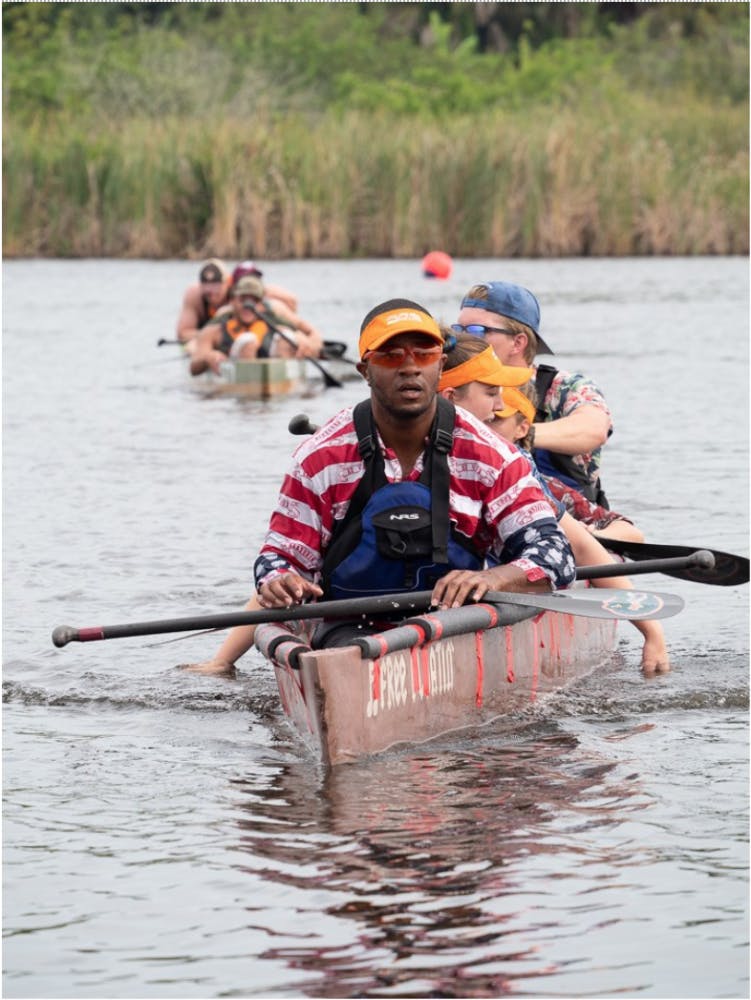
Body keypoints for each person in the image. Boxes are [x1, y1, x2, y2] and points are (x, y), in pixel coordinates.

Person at [181, 299, 576, 674]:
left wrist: (493, 579)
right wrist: (280, 580)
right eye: (390, 356)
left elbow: (555, 556)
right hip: (348, 632)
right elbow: (278, 557)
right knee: (337, 639)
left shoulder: (492, 455)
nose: (409, 367)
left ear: (440, 367)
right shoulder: (319, 456)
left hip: (456, 626)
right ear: (364, 370)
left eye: (423, 355)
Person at [453, 281, 612, 508]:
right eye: (458, 330)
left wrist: (512, 434)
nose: (463, 340)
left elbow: (594, 429)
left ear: (518, 342)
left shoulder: (566, 387)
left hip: (568, 520)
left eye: (477, 331)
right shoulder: (456, 387)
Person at [189, 275, 323, 376]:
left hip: (274, 378)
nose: (248, 306)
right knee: (248, 341)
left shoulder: (276, 324)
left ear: (261, 304)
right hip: (237, 370)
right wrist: (208, 358)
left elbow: (312, 343)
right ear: (232, 301)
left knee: (287, 340)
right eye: (243, 300)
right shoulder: (214, 330)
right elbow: (194, 367)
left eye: (254, 300)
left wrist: (308, 348)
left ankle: (280, 386)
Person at [175, 258, 298, 347]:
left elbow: (293, 303)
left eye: (216, 284)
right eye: (206, 284)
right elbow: (183, 333)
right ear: (233, 284)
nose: (210, 290)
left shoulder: (264, 295)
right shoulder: (223, 308)